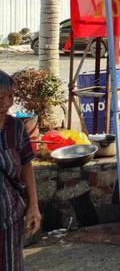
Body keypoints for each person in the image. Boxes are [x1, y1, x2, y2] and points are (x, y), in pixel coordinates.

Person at [0, 70, 40, 271]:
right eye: (0, 98)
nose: (7, 103)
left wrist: (33, 206)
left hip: (10, 217)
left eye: (10, 96)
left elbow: (26, 164)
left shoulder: (15, 128)